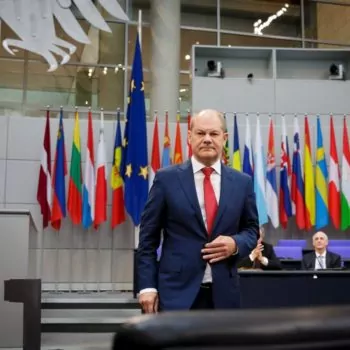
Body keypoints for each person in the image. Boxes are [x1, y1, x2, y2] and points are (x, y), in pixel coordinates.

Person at [136, 109, 259, 313]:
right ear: (189, 137)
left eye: (214, 134)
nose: (207, 139)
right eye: (201, 133)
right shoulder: (166, 180)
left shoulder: (242, 182)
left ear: (225, 138)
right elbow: (147, 239)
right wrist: (147, 286)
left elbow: (252, 230)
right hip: (176, 295)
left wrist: (235, 243)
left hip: (224, 296)